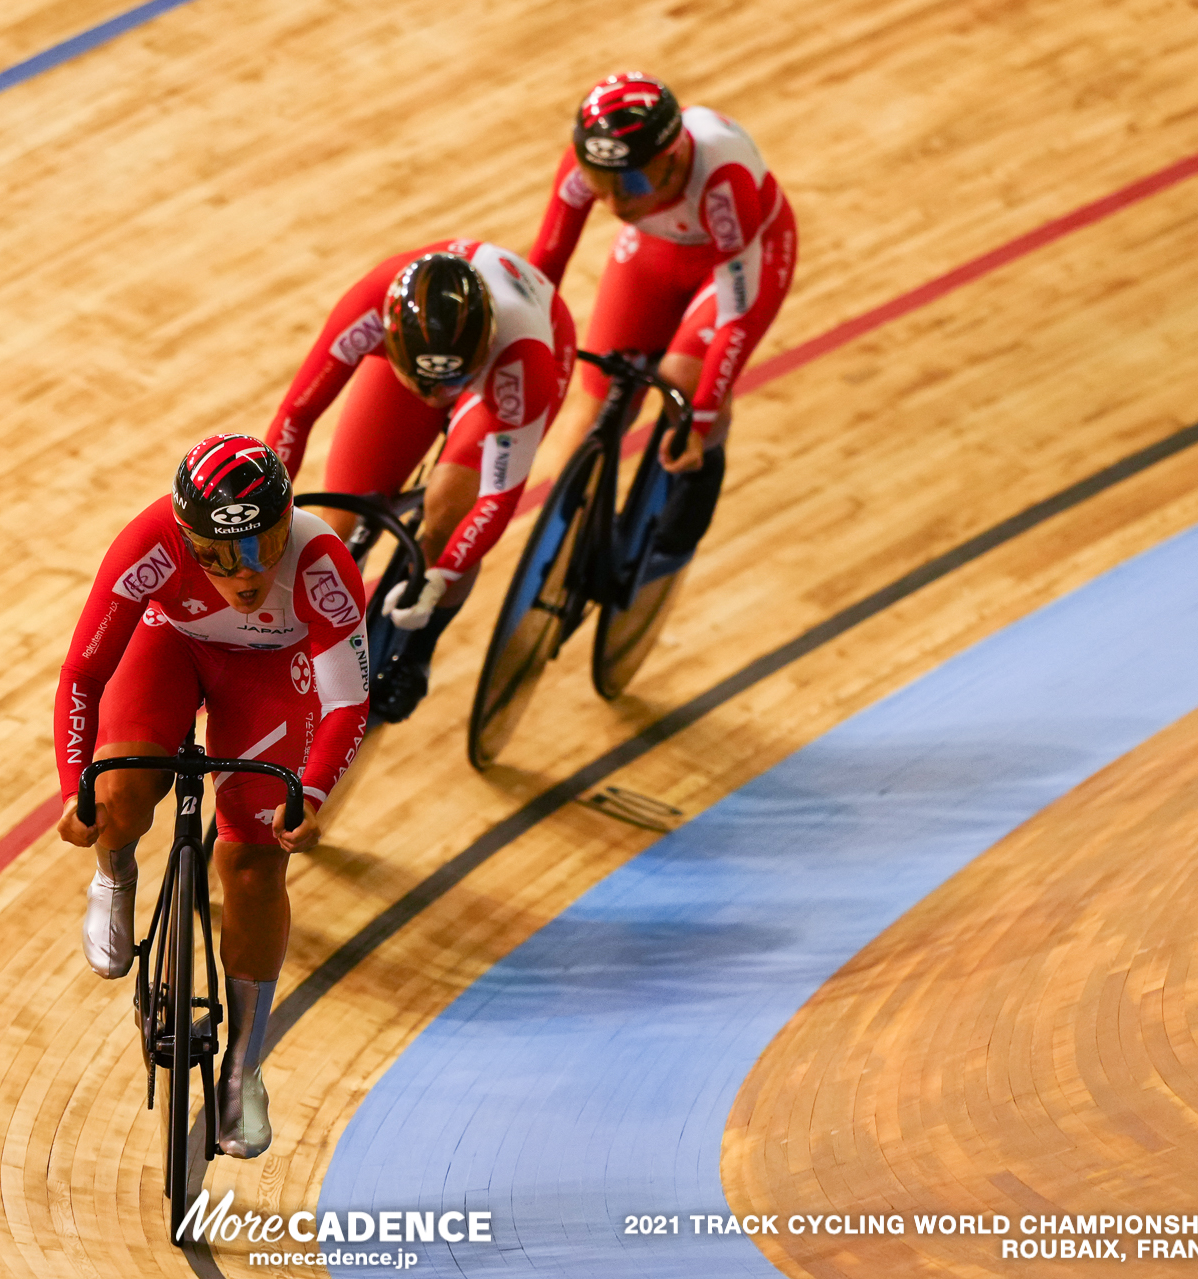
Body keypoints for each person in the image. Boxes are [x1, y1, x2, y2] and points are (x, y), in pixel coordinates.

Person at [53, 433, 370, 1159]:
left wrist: (311, 794)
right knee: (120, 791)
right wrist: (75, 788)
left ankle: (243, 1070)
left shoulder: (322, 565)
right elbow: (83, 674)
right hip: (171, 645)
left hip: (271, 675)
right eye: (220, 558)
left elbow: (349, 701)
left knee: (257, 866)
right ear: (187, 539)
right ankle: (116, 870)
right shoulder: (150, 543)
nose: (247, 574)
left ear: (287, 520)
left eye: (262, 546)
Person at [265, 241, 575, 721]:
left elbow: (497, 498)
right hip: (410, 366)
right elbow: (297, 414)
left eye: (448, 385)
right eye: (428, 384)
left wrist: (440, 577)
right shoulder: (368, 307)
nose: (438, 397)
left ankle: (417, 654)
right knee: (341, 513)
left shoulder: (522, 357)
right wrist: (268, 513)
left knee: (451, 508)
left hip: (506, 367)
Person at [529, 71, 797, 559]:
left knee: (682, 382)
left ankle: (684, 513)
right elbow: (547, 262)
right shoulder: (589, 161)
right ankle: (568, 537)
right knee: (594, 397)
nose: (613, 203)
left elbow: (737, 314)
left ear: (671, 161)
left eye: (630, 184)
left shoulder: (721, 179)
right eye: (599, 184)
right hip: (656, 254)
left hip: (743, 259)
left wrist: (701, 422)